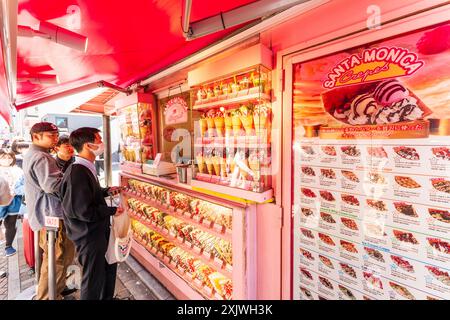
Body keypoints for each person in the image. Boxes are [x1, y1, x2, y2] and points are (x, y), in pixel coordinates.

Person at [61, 127, 122, 300]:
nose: (102, 144)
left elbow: (87, 195)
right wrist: (112, 210)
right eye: (98, 140)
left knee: (103, 272)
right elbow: (82, 210)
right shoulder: (77, 172)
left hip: (95, 232)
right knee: (93, 278)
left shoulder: (85, 167)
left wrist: (106, 191)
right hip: (88, 235)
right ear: (88, 145)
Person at [22, 122, 75, 300]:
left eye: (56, 134)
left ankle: (56, 291)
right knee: (56, 258)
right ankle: (46, 296)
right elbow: (53, 185)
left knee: (57, 257)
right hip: (51, 214)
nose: (55, 138)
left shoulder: (34, 154)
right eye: (50, 135)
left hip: (44, 213)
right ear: (36, 136)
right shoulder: (42, 157)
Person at [0, 150, 25, 256]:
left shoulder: (18, 170)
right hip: (1, 201)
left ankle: (8, 246)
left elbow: (22, 184)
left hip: (14, 200)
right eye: (3, 157)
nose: (7, 160)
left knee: (11, 223)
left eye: (9, 157)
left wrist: (16, 191)